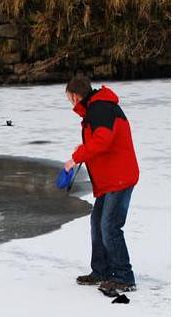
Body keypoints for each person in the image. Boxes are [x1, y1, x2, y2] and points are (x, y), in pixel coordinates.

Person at [64, 75, 139, 293]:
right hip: (110, 178)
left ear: (75, 96)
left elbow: (103, 141)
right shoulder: (96, 109)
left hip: (120, 177)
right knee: (98, 222)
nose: (70, 102)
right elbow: (100, 138)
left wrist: (76, 157)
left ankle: (124, 276)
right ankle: (101, 271)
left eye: (70, 98)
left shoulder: (101, 109)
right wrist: (84, 148)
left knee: (110, 226)